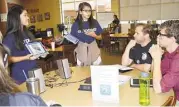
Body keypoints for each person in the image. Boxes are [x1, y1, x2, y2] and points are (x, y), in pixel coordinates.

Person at [3, 5, 42, 84]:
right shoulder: (9, 38)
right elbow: (6, 59)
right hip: (21, 74)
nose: (28, 17)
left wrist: (40, 51)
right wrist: (26, 57)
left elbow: (31, 49)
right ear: (16, 17)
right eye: (25, 15)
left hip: (34, 70)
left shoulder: (27, 33)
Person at [149, 20, 179, 102]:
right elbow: (154, 74)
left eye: (161, 35)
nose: (158, 37)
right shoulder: (168, 54)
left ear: (172, 38)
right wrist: (155, 56)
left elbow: (158, 88)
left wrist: (157, 58)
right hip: (170, 94)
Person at [70, 2, 103, 66]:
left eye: (89, 11)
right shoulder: (75, 25)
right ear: (80, 12)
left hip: (94, 48)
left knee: (96, 70)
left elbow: (101, 37)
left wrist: (94, 35)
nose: (88, 13)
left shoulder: (95, 22)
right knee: (82, 72)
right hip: (81, 49)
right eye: (86, 11)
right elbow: (73, 39)